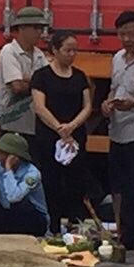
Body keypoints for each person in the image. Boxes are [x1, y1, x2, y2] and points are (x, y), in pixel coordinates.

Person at [30, 30, 95, 232]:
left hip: (74, 137)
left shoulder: (79, 76)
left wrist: (72, 126)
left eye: (75, 50)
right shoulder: (42, 76)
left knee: (76, 180)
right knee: (51, 181)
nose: (71, 54)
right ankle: (53, 225)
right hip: (49, 136)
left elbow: (87, 106)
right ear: (55, 50)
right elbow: (40, 107)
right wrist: (59, 128)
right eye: (67, 50)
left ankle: (76, 223)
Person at [104, 11, 134, 253]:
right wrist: (108, 103)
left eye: (131, 34)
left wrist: (133, 103)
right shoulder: (117, 59)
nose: (126, 39)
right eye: (121, 34)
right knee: (119, 185)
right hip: (117, 129)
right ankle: (125, 233)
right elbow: (114, 88)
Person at [0, 132, 49, 235]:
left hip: (33, 220)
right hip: (8, 215)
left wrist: (8, 170)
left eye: (2, 153)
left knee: (19, 203)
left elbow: (13, 197)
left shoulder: (32, 173)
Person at [0, 6, 49, 156]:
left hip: (32, 123)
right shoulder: (9, 51)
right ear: (22, 28)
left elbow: (50, 82)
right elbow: (17, 86)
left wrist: (28, 79)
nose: (40, 32)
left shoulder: (39, 55)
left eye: (41, 28)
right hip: (11, 121)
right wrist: (38, 83)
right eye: (36, 27)